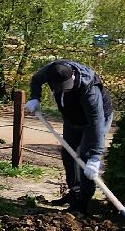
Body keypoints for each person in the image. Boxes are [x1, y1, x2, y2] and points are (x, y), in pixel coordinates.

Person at [26, 60, 115, 212]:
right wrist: (35, 97)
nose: (65, 91)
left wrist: (95, 156)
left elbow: (96, 122)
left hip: (96, 120)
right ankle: (75, 192)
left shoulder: (89, 89)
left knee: (85, 157)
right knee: (68, 153)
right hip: (72, 118)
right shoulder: (50, 71)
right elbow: (36, 79)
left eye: (66, 87)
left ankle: (83, 202)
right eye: (61, 88)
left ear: (73, 75)